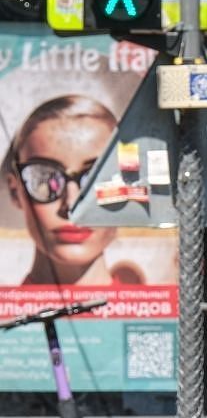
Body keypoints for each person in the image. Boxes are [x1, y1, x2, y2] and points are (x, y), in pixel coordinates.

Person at [2, 95, 119, 285]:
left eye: (95, 179)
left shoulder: (167, 311)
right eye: (44, 179)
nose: (71, 205)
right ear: (16, 191)